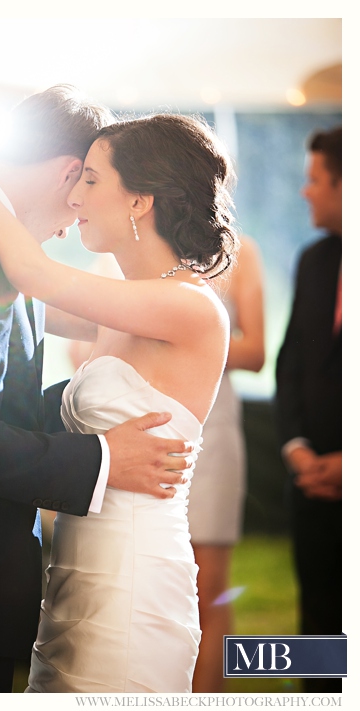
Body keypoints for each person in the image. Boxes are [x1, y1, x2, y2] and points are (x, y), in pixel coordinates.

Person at [0, 110, 237, 692]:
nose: (75, 195)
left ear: (139, 200)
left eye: (90, 180)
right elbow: (13, 297)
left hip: (132, 576)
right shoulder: (122, 304)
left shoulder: (189, 306)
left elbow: (29, 271)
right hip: (73, 575)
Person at [275, 126, 341, 694]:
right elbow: (291, 361)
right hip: (312, 482)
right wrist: (297, 447)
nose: (304, 192)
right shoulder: (315, 260)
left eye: (315, 179)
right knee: (318, 628)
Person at [188, 236, 265, 693]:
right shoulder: (131, 240)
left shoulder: (243, 251)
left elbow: (255, 352)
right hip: (153, 428)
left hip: (213, 432)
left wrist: (186, 332)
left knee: (209, 586)